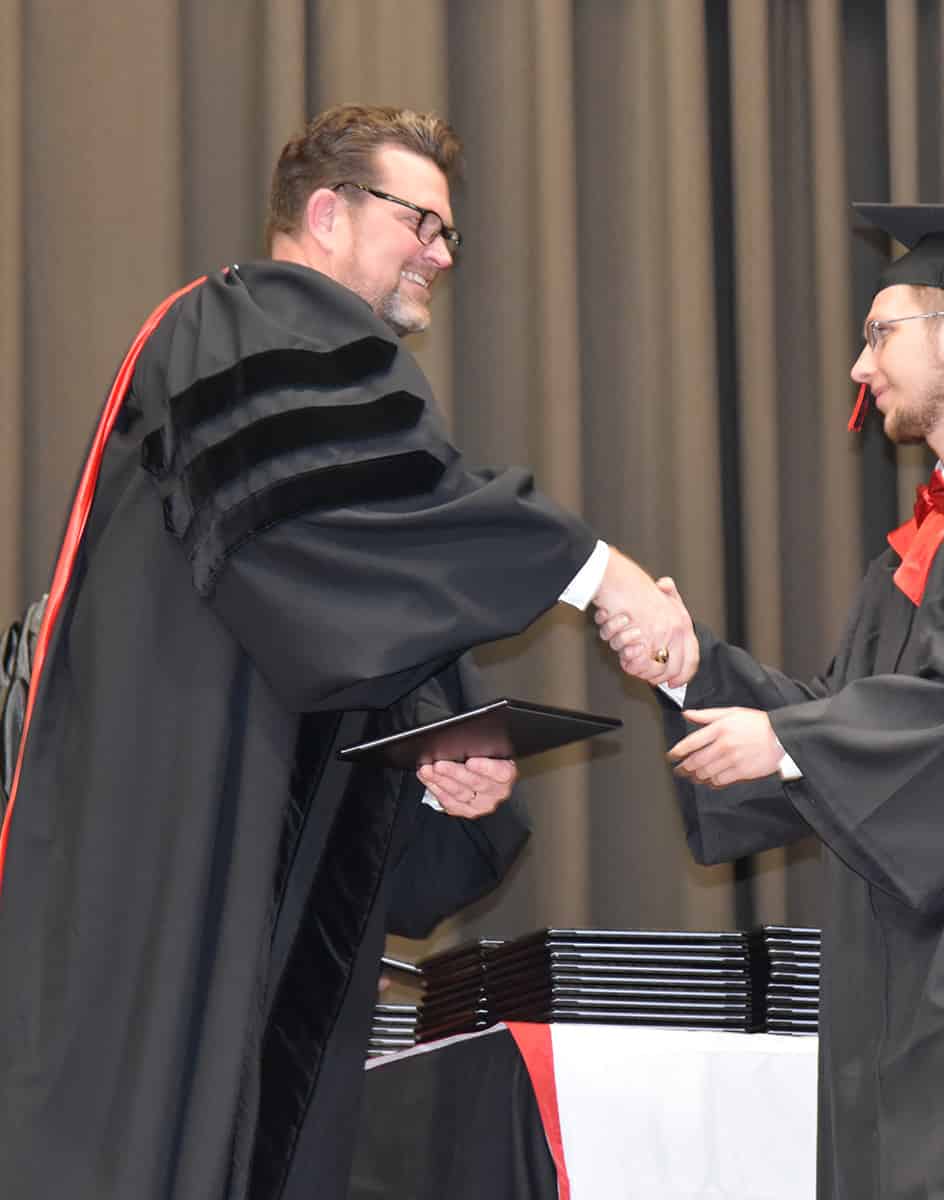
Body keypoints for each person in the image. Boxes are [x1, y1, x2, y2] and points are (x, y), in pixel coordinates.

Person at [0, 104, 694, 1200]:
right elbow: (337, 535)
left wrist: (433, 766)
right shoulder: (244, 326)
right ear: (327, 213)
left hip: (247, 854)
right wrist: (593, 570)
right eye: (422, 221)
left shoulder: (318, 360)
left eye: (451, 235)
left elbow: (334, 607)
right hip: (175, 845)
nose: (441, 253)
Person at [601, 204, 944, 1199]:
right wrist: (688, 670)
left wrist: (786, 738)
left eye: (876, 334)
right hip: (894, 990)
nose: (859, 368)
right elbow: (836, 713)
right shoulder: (912, 552)